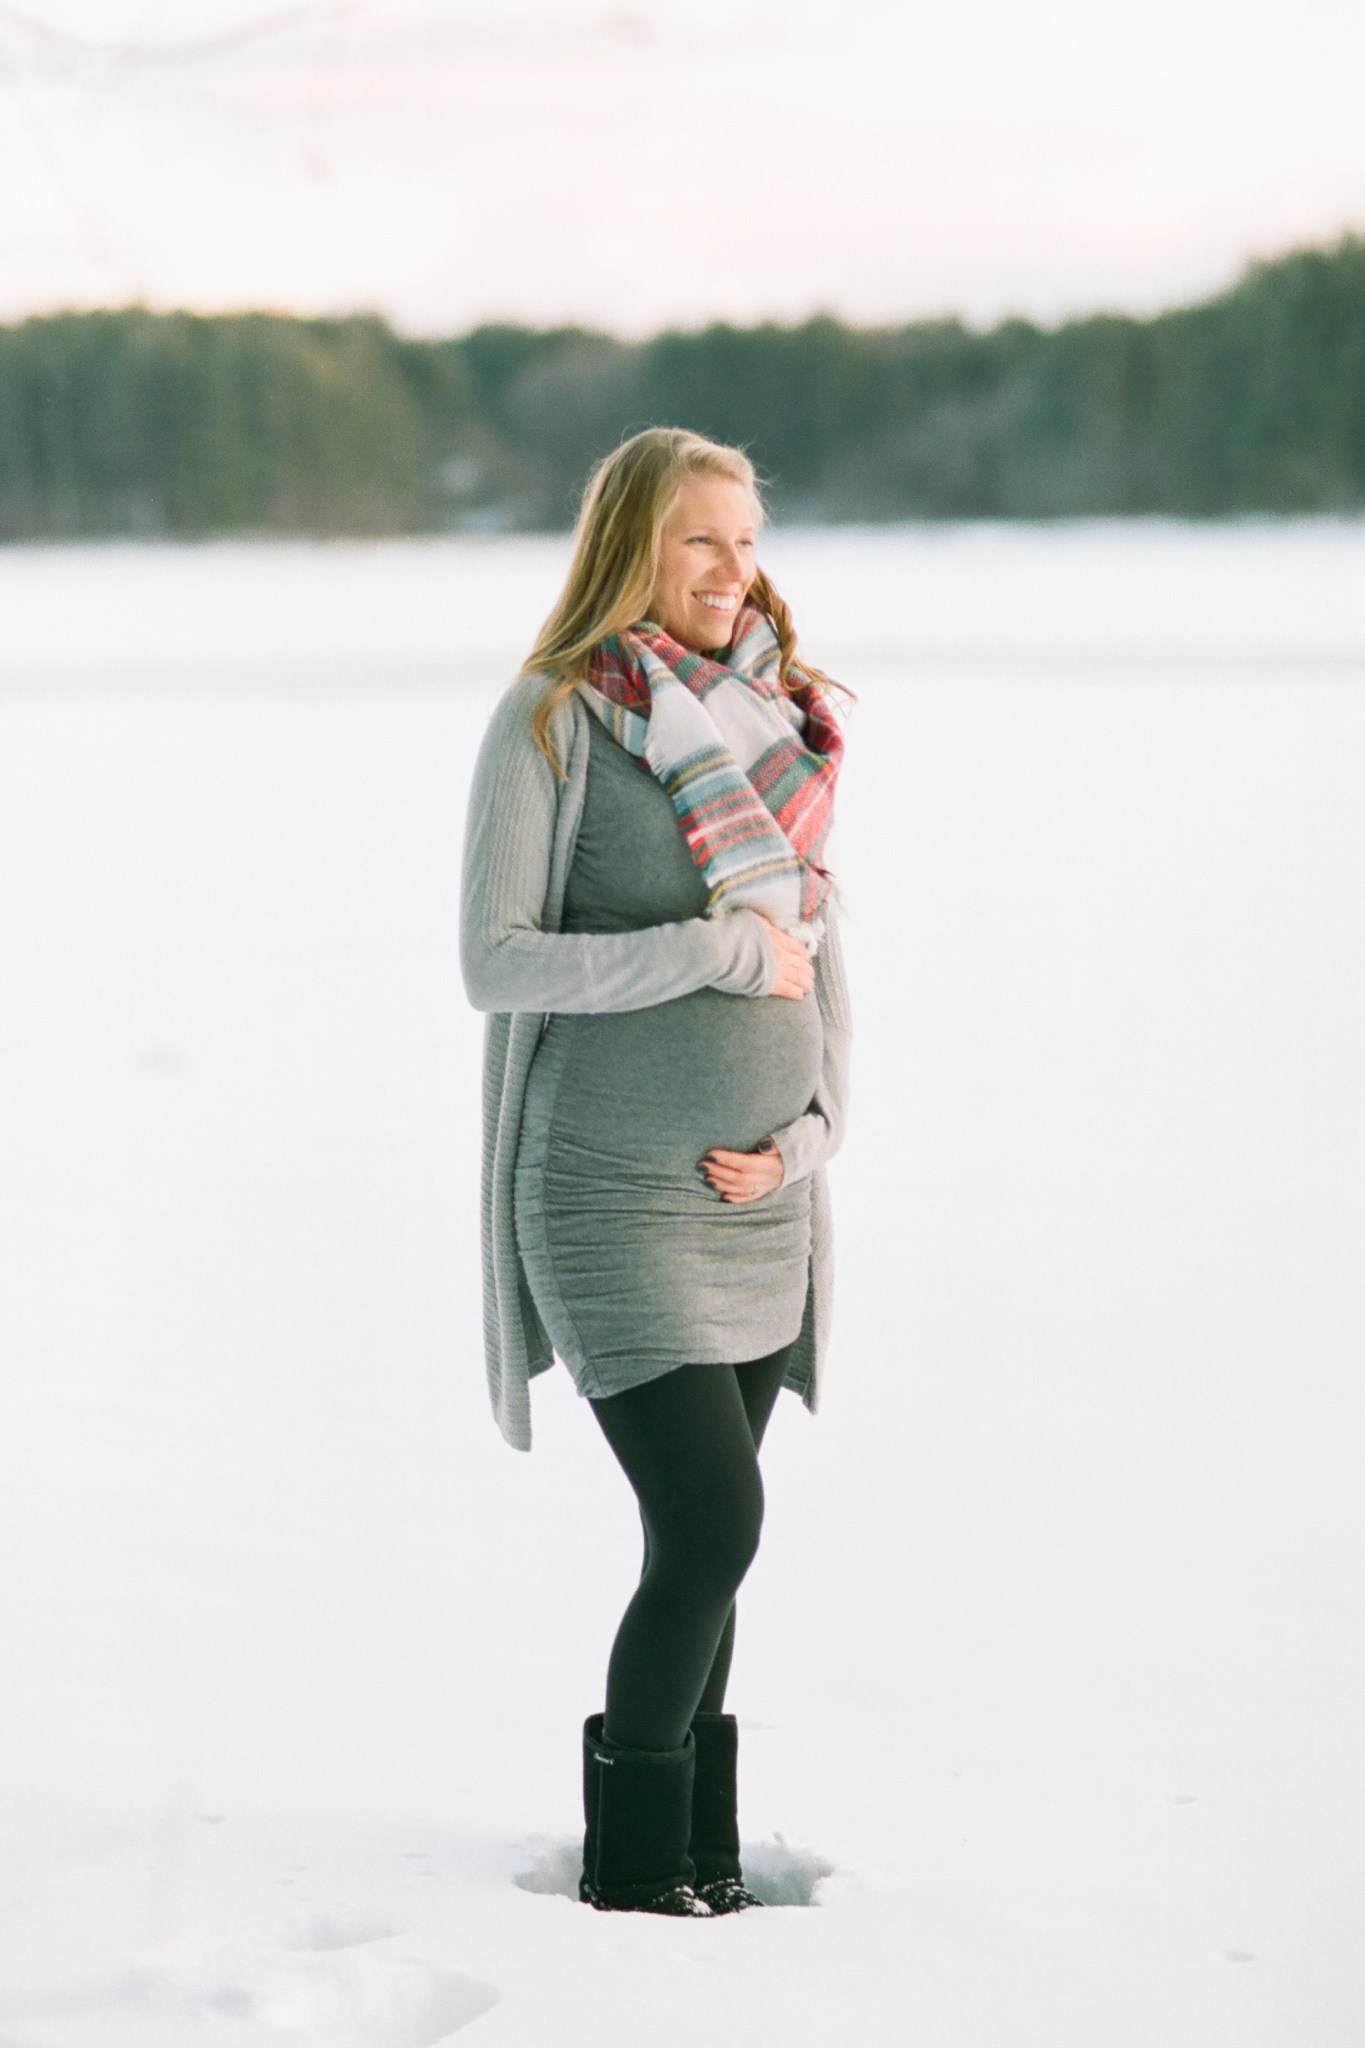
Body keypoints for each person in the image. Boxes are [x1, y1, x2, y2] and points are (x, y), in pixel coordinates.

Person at [460, 426, 852, 1918]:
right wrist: (713, 950)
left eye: (745, 539)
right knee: (712, 1523)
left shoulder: (782, 721)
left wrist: (808, 1143)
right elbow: (493, 964)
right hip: (605, 1199)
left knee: (707, 1544)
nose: (730, 570)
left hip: (757, 1211)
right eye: (700, 540)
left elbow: (821, 971)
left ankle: (699, 1855)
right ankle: (633, 1876)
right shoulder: (553, 721)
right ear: (632, 543)